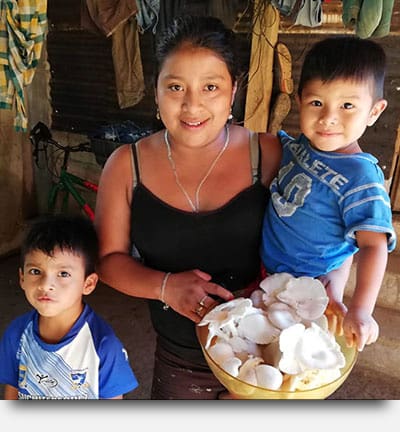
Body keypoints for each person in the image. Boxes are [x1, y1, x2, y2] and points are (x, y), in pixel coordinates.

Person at [94, 15, 349, 400]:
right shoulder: (125, 166)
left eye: (210, 87)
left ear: (232, 91)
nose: (192, 105)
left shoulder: (269, 155)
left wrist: (335, 291)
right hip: (180, 360)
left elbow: (338, 219)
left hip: (273, 364)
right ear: (157, 91)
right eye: (175, 86)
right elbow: (109, 260)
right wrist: (165, 287)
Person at [260, 36, 397, 353]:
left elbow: (373, 245)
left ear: (374, 112)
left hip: (312, 291)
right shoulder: (303, 146)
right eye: (317, 103)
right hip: (268, 272)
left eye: (348, 105)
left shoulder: (361, 177)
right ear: (300, 101)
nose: (328, 118)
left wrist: (361, 309)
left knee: (289, 358)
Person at [0, 214, 138, 400]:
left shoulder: (103, 345)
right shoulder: (16, 334)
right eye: (35, 271)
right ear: (22, 278)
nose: (45, 284)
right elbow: (11, 392)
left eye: (63, 274)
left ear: (88, 284)